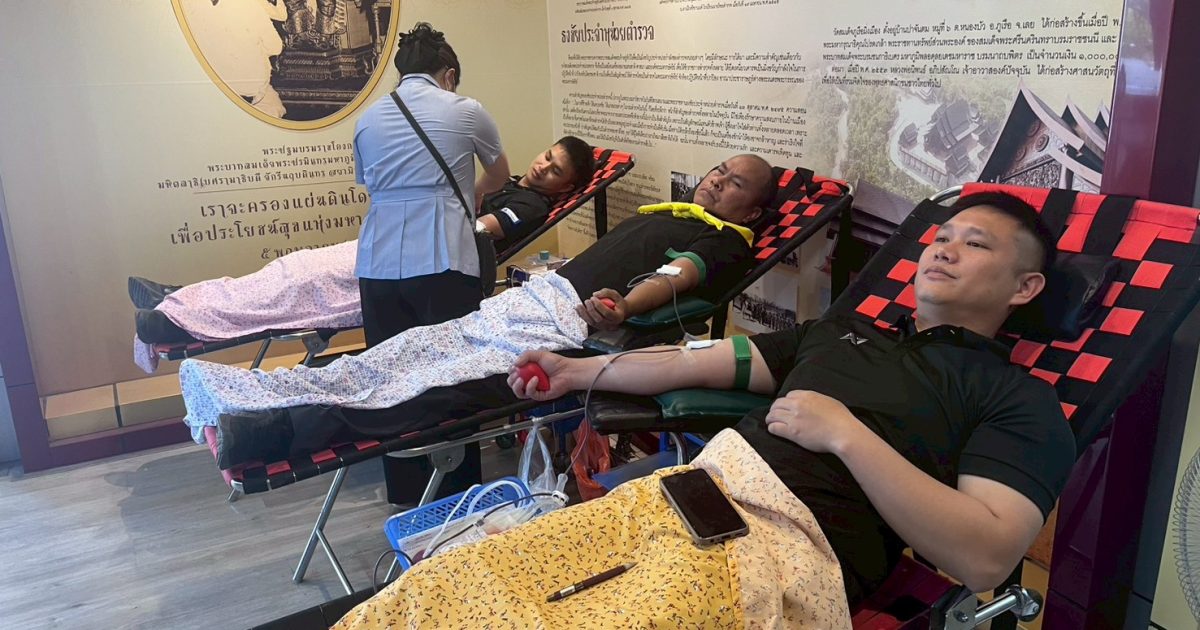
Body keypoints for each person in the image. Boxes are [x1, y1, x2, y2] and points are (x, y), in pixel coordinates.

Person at [329, 192, 1077, 628]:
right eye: (941, 237)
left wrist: (848, 436)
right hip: (677, 498)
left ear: (1025, 288)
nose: (943, 250)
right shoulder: (842, 332)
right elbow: (695, 362)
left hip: (781, 552)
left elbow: (985, 556)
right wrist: (573, 370)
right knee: (445, 587)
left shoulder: (1015, 398)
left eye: (975, 245)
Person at [182, 154, 778, 464]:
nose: (717, 182)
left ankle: (274, 431)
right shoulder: (670, 212)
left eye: (735, 185)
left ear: (751, 212)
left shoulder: (726, 240)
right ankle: (263, 391)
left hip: (564, 327)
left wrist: (624, 305)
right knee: (405, 351)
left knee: (435, 386)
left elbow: (678, 276)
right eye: (719, 171)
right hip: (533, 300)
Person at [130, 138, 594, 352]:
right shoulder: (509, 181)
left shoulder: (531, 205)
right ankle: (182, 297)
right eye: (547, 156)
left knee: (300, 282)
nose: (543, 167)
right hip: (404, 244)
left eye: (555, 170)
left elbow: (477, 230)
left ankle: (174, 320)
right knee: (293, 267)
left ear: (566, 187)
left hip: (417, 260)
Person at [354, 22, 511, 349]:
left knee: (387, 364)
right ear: (449, 76)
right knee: (451, 362)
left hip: (376, 263)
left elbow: (371, 185)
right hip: (442, 257)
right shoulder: (467, 110)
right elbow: (500, 175)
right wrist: (476, 191)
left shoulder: (366, 120)